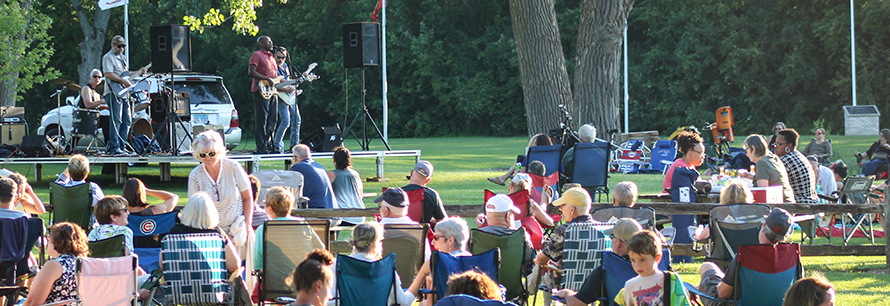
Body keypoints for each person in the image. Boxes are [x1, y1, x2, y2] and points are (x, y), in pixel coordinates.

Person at [696, 208, 798, 305]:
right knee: (709, 269)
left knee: (707, 267)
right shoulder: (792, 255)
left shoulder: (746, 255)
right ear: (785, 236)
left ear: (763, 227)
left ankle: (696, 289)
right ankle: (697, 288)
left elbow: (723, 293)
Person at [187, 130, 254, 261]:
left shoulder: (233, 167)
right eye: (202, 154)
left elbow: (248, 197)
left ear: (218, 152)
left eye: (211, 153)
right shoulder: (195, 176)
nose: (207, 158)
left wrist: (246, 225)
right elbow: (194, 209)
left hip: (238, 231)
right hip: (210, 234)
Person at [553, 218, 644, 306]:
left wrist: (567, 294)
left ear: (618, 242)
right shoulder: (652, 266)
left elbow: (576, 303)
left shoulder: (606, 269)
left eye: (611, 237)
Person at [335, 222, 416, 305]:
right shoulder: (386, 270)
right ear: (375, 245)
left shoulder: (337, 266)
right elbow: (405, 302)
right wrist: (422, 274)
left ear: (354, 242)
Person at [168, 193, 242, 273]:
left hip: (178, 284)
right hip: (213, 284)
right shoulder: (217, 234)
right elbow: (235, 265)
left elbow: (163, 264)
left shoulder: (174, 234)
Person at [22, 222, 89, 306]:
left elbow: (32, 303)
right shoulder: (85, 264)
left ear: (55, 241)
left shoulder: (55, 266)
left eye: (49, 237)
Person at [616, 230, 690, 306]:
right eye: (633, 260)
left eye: (642, 260)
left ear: (657, 258)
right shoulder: (630, 286)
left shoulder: (671, 280)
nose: (637, 265)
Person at [254, 187, 320, 271]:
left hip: (274, 281)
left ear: (270, 209)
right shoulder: (302, 224)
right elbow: (320, 248)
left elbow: (257, 264)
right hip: (303, 279)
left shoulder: (264, 229)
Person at [407, 218, 472, 298]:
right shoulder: (476, 262)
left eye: (436, 237)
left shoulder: (437, 264)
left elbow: (430, 303)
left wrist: (422, 273)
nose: (432, 242)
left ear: (451, 240)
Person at [102, 35, 144, 156]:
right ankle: (114, 148)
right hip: (112, 92)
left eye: (123, 47)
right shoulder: (108, 57)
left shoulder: (123, 58)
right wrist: (123, 81)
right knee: (117, 120)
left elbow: (125, 74)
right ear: (112, 45)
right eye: (119, 46)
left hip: (124, 93)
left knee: (127, 120)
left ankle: (122, 146)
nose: (121, 49)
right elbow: (108, 74)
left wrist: (138, 72)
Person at [669, 130, 706, 263]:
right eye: (700, 154)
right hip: (673, 207)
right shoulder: (681, 168)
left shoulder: (689, 167)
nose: (703, 157)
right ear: (690, 153)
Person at [535, 188, 593, 270]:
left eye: (562, 205)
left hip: (567, 281)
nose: (560, 209)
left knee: (538, 267)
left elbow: (541, 259)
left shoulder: (566, 231)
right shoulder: (601, 228)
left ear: (572, 210)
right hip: (596, 281)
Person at [473, 194, 535, 260]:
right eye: (513, 214)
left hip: (482, 270)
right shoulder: (522, 236)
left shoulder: (476, 237)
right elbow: (530, 259)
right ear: (507, 216)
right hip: (513, 270)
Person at [740, 134, 795, 203]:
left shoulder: (761, 163)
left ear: (753, 149)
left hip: (780, 205)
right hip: (788, 201)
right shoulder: (773, 158)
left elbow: (762, 193)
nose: (746, 155)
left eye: (746, 151)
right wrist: (753, 177)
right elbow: (773, 179)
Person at [248, 35, 279, 154]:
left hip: (272, 92)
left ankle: (269, 145)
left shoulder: (272, 57)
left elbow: (275, 78)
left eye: (271, 40)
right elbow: (251, 71)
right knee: (262, 120)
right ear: (260, 44)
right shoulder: (257, 55)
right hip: (261, 90)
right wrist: (266, 78)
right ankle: (261, 146)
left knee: (272, 119)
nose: (271, 43)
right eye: (268, 41)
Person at [488, 133, 552, 185]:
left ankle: (503, 178)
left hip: (531, 183)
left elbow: (521, 174)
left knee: (518, 164)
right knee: (519, 161)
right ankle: (503, 178)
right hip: (551, 182)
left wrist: (517, 171)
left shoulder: (531, 156)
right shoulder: (554, 156)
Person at [272, 47, 304, 154]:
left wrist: (300, 80)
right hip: (281, 96)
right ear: (274, 56)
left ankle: (294, 147)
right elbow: (275, 84)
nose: (281, 59)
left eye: (283, 57)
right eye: (279, 57)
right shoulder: (273, 67)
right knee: (286, 121)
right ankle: (276, 144)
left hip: (290, 96)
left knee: (297, 120)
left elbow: (289, 82)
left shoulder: (285, 66)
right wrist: (287, 88)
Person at [774, 129, 819, 204]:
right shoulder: (799, 155)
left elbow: (775, 183)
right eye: (775, 144)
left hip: (800, 205)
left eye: (779, 144)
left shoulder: (785, 160)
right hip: (812, 203)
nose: (775, 147)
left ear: (789, 146)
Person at [327, 146, 365, 225]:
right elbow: (361, 196)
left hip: (344, 216)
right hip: (360, 215)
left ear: (334, 160)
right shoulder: (356, 174)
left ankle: (332, 237)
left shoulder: (332, 174)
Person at [290, 144, 336, 209]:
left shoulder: (298, 167)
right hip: (331, 208)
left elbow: (290, 190)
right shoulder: (319, 166)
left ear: (295, 158)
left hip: (317, 210)